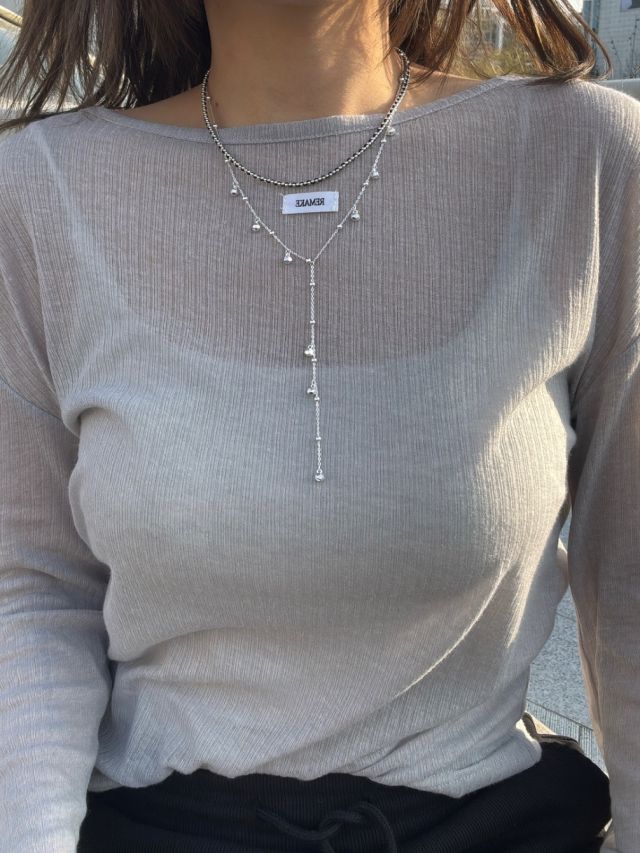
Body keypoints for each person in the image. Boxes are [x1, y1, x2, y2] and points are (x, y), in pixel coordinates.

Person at [0, 0, 637, 850]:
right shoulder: (37, 192)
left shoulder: (586, 160)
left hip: (490, 822)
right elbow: (33, 587)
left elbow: (629, 580)